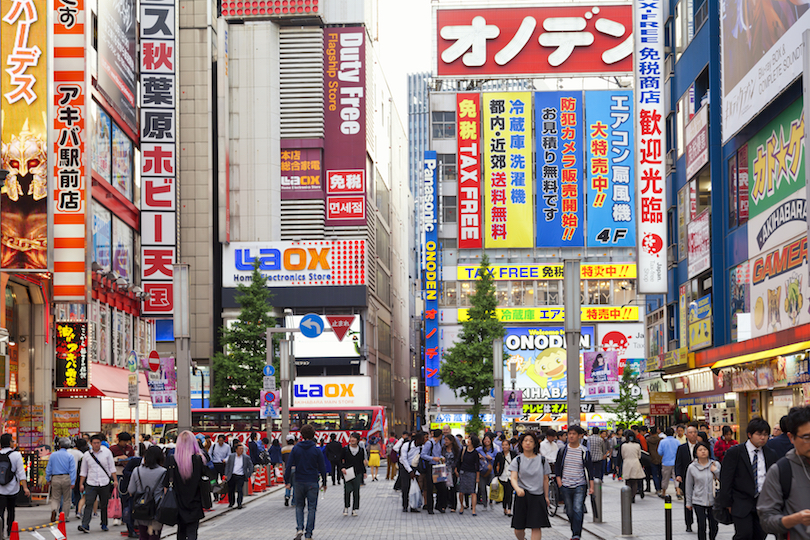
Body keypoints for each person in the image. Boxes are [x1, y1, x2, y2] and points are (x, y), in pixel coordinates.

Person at [717, 418, 777, 540]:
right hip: (741, 502)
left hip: (763, 503)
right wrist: (727, 503)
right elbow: (726, 479)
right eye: (759, 434)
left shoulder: (770, 454)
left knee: (760, 535)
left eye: (765, 434)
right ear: (750, 434)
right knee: (744, 534)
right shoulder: (735, 452)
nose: (763, 438)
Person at [758, 406, 810, 540]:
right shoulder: (781, 471)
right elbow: (766, 521)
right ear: (791, 437)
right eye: (807, 437)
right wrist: (794, 519)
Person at [285, 424, 327, 540]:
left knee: (299, 506)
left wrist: (287, 481)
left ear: (301, 435)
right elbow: (322, 467)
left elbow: (289, 466)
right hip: (312, 481)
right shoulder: (316, 450)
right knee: (312, 508)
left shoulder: (296, 448)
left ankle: (299, 528)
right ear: (313, 435)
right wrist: (324, 482)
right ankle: (308, 534)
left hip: (299, 481)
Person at [163, 431, 206, 540]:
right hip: (195, 501)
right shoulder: (198, 460)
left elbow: (166, 484)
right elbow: (206, 478)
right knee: (192, 532)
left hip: (178, 502)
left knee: (181, 531)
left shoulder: (172, 460)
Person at [509, 432, 551, 540]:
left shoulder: (542, 460)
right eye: (525, 441)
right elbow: (513, 477)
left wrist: (546, 496)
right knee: (518, 529)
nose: (528, 443)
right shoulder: (517, 460)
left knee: (536, 526)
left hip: (538, 496)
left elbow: (545, 479)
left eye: (531, 441)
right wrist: (518, 489)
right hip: (522, 496)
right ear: (521, 444)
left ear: (535, 444)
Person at [555, 425, 594, 540]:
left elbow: (590, 470)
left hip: (580, 485)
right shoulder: (563, 450)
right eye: (569, 433)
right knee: (570, 511)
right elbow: (557, 467)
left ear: (580, 436)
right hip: (565, 485)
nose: (571, 436)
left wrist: (591, 487)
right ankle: (575, 530)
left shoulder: (584, 451)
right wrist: (559, 482)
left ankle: (576, 534)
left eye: (574, 434)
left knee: (578, 509)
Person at [78, 434, 117, 533]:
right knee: (89, 503)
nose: (96, 445)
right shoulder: (87, 455)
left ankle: (104, 523)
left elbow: (112, 467)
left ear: (101, 443)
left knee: (104, 504)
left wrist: (115, 480)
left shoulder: (107, 453)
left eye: (98, 443)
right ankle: (85, 525)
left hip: (104, 482)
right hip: (91, 483)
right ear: (91, 444)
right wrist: (81, 484)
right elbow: (83, 471)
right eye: (94, 443)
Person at [127, 446, 166, 540]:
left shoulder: (137, 471)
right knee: (154, 535)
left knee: (143, 535)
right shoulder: (163, 472)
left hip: (141, 508)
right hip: (157, 509)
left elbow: (131, 490)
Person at [685, 441, 721, 540]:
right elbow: (689, 485)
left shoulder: (715, 464)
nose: (703, 452)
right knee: (701, 525)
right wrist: (688, 502)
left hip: (713, 499)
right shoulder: (692, 467)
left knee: (714, 525)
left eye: (705, 449)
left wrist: (716, 471)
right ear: (696, 453)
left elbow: (724, 480)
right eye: (700, 450)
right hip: (698, 499)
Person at [0, 434, 30, 539]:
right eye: (12, 441)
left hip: (0, 490)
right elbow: (21, 473)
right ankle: (10, 532)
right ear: (10, 443)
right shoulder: (16, 455)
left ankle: (0, 533)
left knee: (0, 512)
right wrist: (25, 488)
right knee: (11, 511)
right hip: (12, 489)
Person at [45, 437, 77, 523]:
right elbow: (72, 470)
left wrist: (48, 478)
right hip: (66, 477)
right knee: (67, 499)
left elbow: (49, 468)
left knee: (55, 498)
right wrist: (73, 481)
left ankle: (54, 510)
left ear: (59, 445)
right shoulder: (70, 456)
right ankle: (64, 516)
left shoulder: (53, 455)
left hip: (55, 477)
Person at [675, 424, 700, 529]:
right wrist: (678, 475)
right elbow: (678, 463)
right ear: (686, 435)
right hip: (686, 478)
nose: (693, 434)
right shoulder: (682, 448)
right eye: (690, 432)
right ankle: (688, 523)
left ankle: (701, 522)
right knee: (688, 500)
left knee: (699, 502)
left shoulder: (701, 447)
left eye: (694, 432)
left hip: (700, 479)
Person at [421, 429, 448, 514]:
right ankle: (430, 507)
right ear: (440, 435)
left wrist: (441, 457)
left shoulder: (438, 443)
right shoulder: (429, 443)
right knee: (430, 487)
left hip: (437, 466)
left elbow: (437, 453)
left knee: (441, 486)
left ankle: (439, 505)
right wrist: (433, 458)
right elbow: (423, 454)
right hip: (430, 466)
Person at [340, 432, 366, 517]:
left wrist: (364, 472)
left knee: (356, 491)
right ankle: (346, 507)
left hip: (357, 472)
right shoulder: (345, 449)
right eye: (351, 438)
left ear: (358, 440)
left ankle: (354, 509)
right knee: (347, 490)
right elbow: (341, 460)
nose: (352, 439)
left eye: (354, 438)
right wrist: (342, 468)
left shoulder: (361, 450)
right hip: (347, 472)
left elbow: (361, 462)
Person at [223, 441, 254, 509]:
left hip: (241, 475)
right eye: (240, 449)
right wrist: (226, 474)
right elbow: (228, 466)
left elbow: (251, 466)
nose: (241, 450)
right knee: (231, 490)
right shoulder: (231, 456)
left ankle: (239, 503)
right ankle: (231, 503)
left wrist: (248, 474)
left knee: (240, 490)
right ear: (236, 450)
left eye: (242, 449)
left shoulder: (246, 457)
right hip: (232, 475)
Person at [456, 434, 480, 515]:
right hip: (463, 472)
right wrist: (457, 470)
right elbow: (458, 461)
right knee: (461, 492)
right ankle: (462, 506)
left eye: (469, 439)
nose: (467, 441)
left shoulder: (475, 453)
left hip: (472, 473)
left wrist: (477, 477)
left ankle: (473, 509)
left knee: (473, 492)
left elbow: (477, 466)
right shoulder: (463, 450)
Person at [398, 432, 422, 512]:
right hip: (404, 467)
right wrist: (410, 471)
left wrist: (416, 472)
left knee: (415, 488)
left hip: (414, 467)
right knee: (405, 487)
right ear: (417, 440)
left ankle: (413, 506)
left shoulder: (421, 447)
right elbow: (404, 459)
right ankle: (405, 505)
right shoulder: (406, 446)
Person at [495, 437, 517, 517]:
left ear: (509, 446)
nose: (505, 447)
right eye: (503, 445)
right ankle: (504, 507)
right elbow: (495, 464)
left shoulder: (513, 454)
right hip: (502, 476)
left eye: (506, 445)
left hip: (511, 476)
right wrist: (496, 474)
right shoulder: (499, 455)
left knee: (510, 493)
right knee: (504, 493)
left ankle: (509, 509)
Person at [621, 430, 645, 501]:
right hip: (635, 462)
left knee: (628, 481)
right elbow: (639, 456)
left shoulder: (624, 445)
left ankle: (628, 496)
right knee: (634, 481)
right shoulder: (637, 445)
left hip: (627, 463)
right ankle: (633, 496)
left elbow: (623, 455)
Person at [477, 432, 497, 510]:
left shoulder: (494, 450)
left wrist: (492, 459)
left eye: (488, 439)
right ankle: (485, 504)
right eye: (485, 439)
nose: (486, 441)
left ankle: (491, 501)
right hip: (482, 471)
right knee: (482, 488)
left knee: (492, 487)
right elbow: (473, 453)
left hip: (491, 471)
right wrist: (479, 456)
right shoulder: (479, 449)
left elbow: (498, 460)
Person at [441, 434, 460, 512]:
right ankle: (444, 505)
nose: (445, 442)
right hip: (443, 470)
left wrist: (454, 468)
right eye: (445, 440)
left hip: (452, 470)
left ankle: (453, 505)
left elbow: (457, 460)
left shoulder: (456, 449)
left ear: (451, 441)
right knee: (443, 488)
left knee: (453, 488)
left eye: (447, 440)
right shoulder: (443, 449)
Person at [659, 427, 679, 496]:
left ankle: (664, 492)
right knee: (676, 477)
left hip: (666, 462)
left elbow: (660, 452)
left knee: (665, 478)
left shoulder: (662, 442)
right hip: (676, 462)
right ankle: (678, 492)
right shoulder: (677, 441)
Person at [647, 426, 663, 496]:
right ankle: (661, 487)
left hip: (652, 458)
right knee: (660, 474)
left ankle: (657, 489)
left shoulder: (648, 440)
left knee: (654, 475)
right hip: (660, 458)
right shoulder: (660, 439)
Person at [282, 435, 297, 506]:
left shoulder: (283, 449)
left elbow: (283, 460)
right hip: (295, 468)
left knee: (288, 483)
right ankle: (294, 501)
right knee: (295, 485)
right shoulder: (296, 448)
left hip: (287, 469)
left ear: (286, 441)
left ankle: (287, 495)